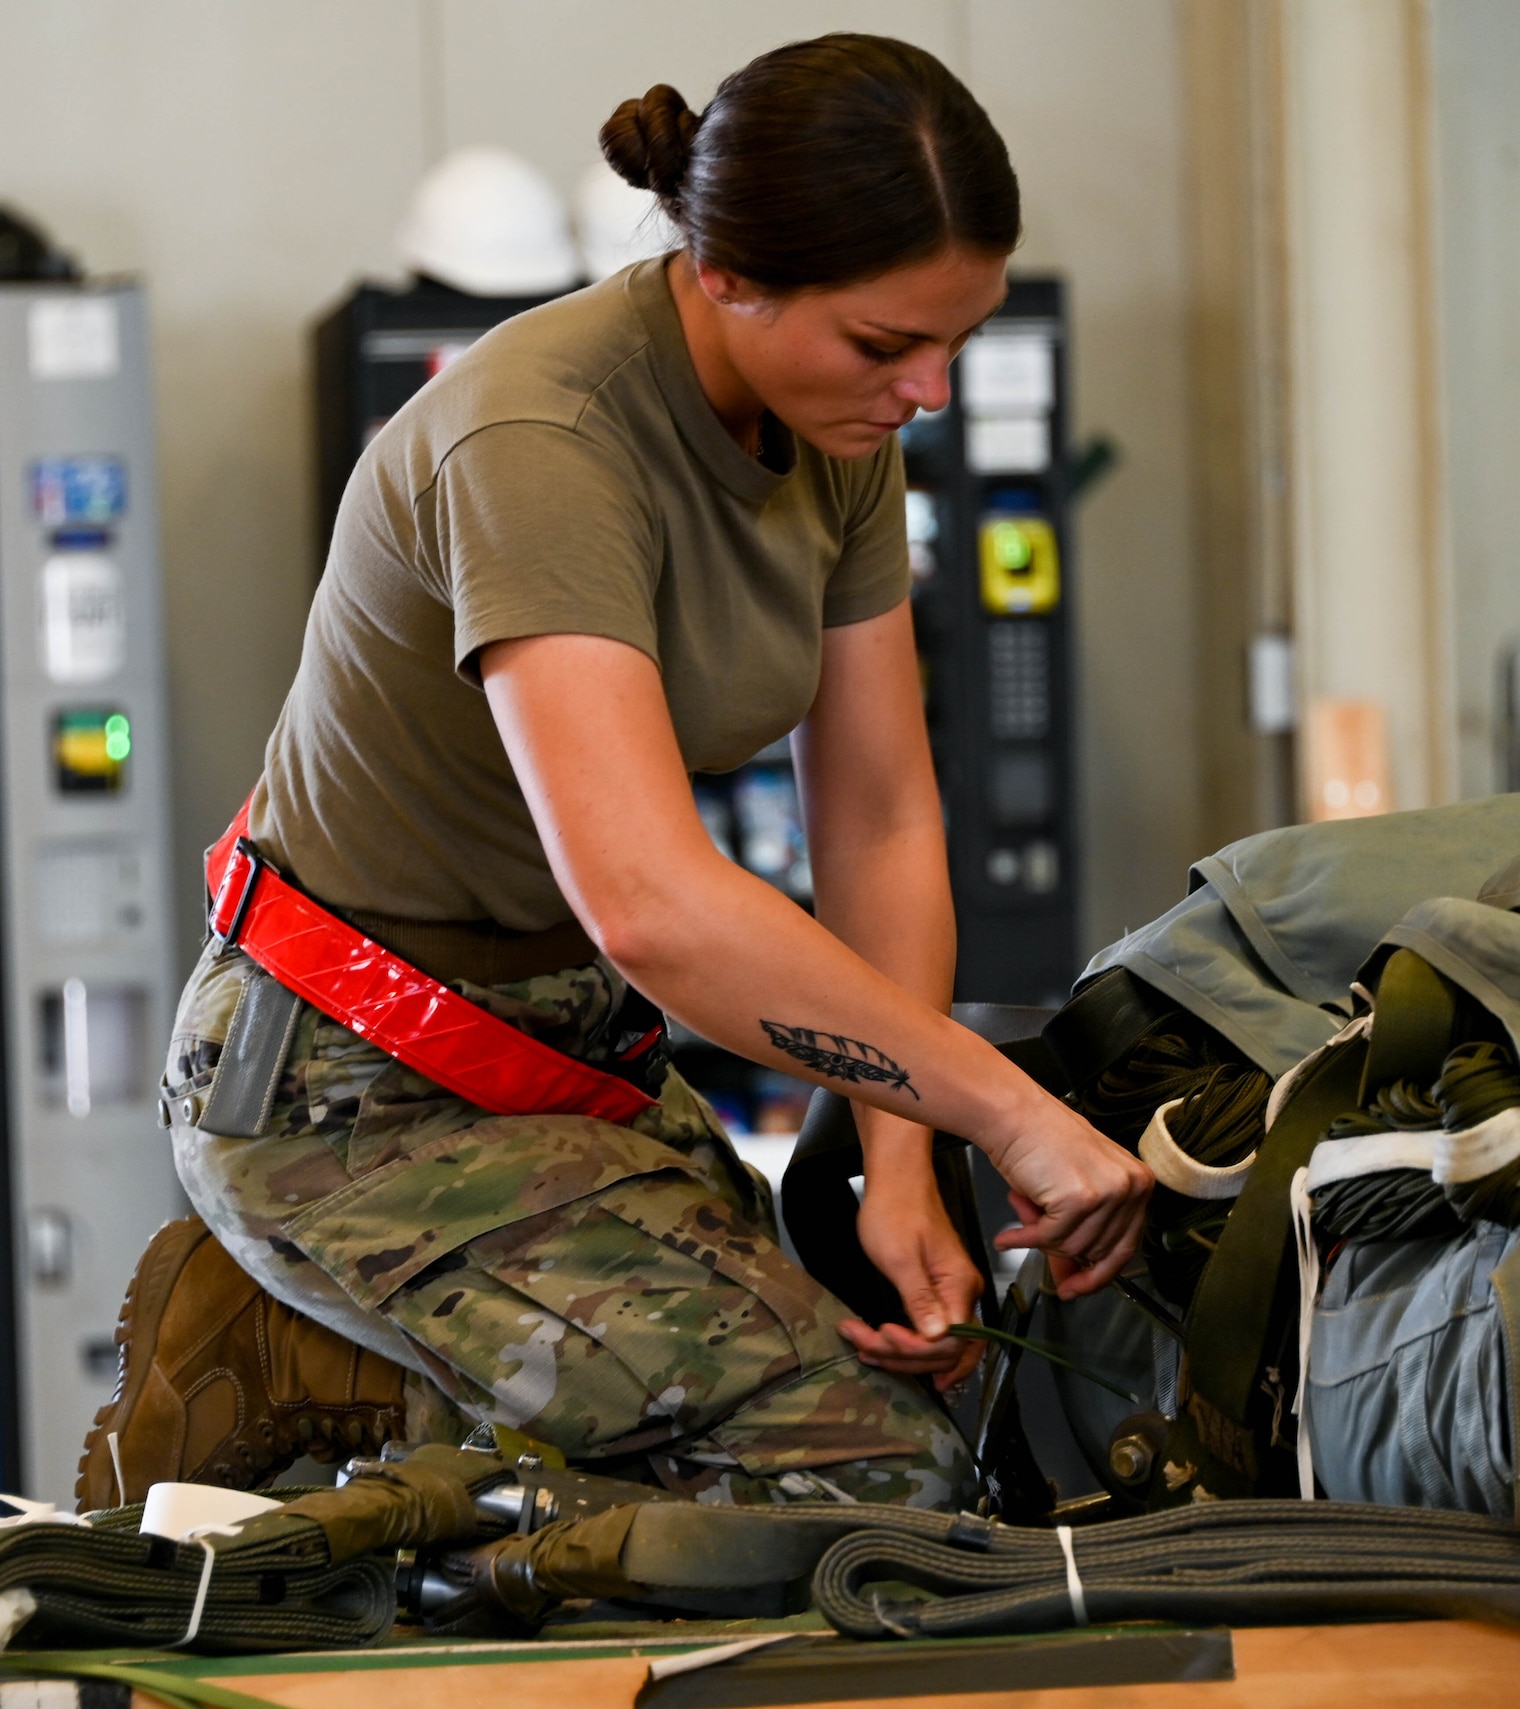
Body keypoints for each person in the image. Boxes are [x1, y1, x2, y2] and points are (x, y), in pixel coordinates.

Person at [78, 33, 1150, 1512]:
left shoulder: (837, 420)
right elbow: (649, 899)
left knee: (930, 1417)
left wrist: (905, 1165)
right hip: (349, 1080)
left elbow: (884, 817)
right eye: (889, 344)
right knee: (873, 1485)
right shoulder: (541, 441)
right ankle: (368, 1410)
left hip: (565, 1046)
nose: (933, 391)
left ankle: (423, 1395)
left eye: (953, 342)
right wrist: (1005, 1112)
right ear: (726, 274)